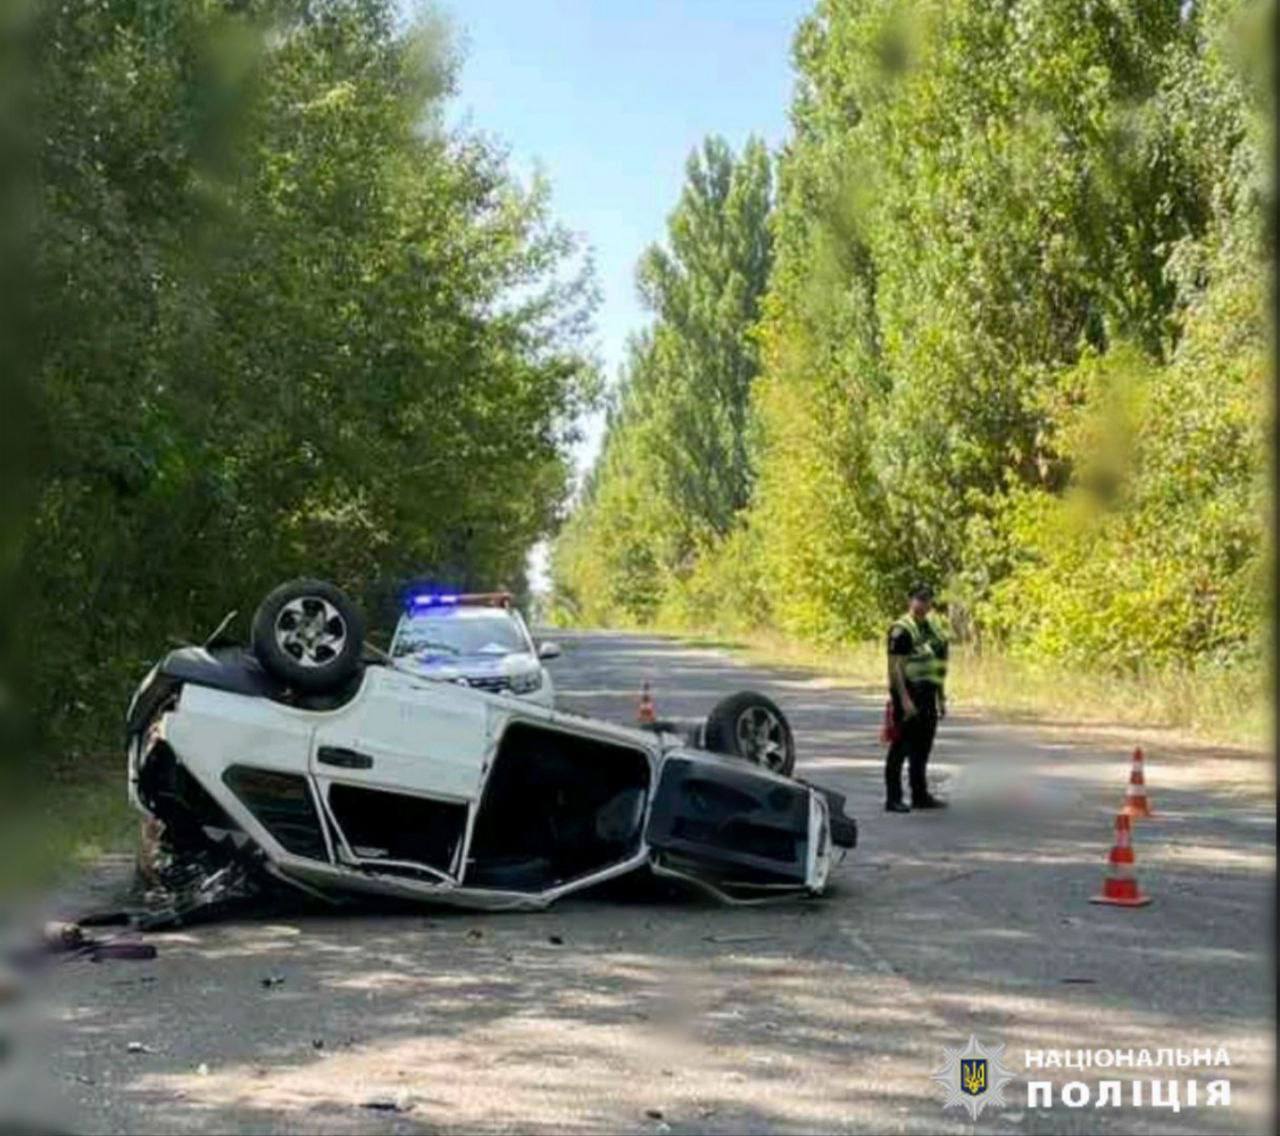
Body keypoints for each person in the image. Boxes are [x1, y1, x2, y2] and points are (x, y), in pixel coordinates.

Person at [884, 582, 949, 813]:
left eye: (928, 599)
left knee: (923, 747)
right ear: (910, 600)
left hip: (928, 694)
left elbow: (940, 664)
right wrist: (904, 700)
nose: (924, 603)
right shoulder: (901, 630)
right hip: (908, 693)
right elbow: (895, 668)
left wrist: (941, 697)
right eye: (919, 598)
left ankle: (920, 794)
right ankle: (893, 798)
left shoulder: (932, 628)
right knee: (900, 747)